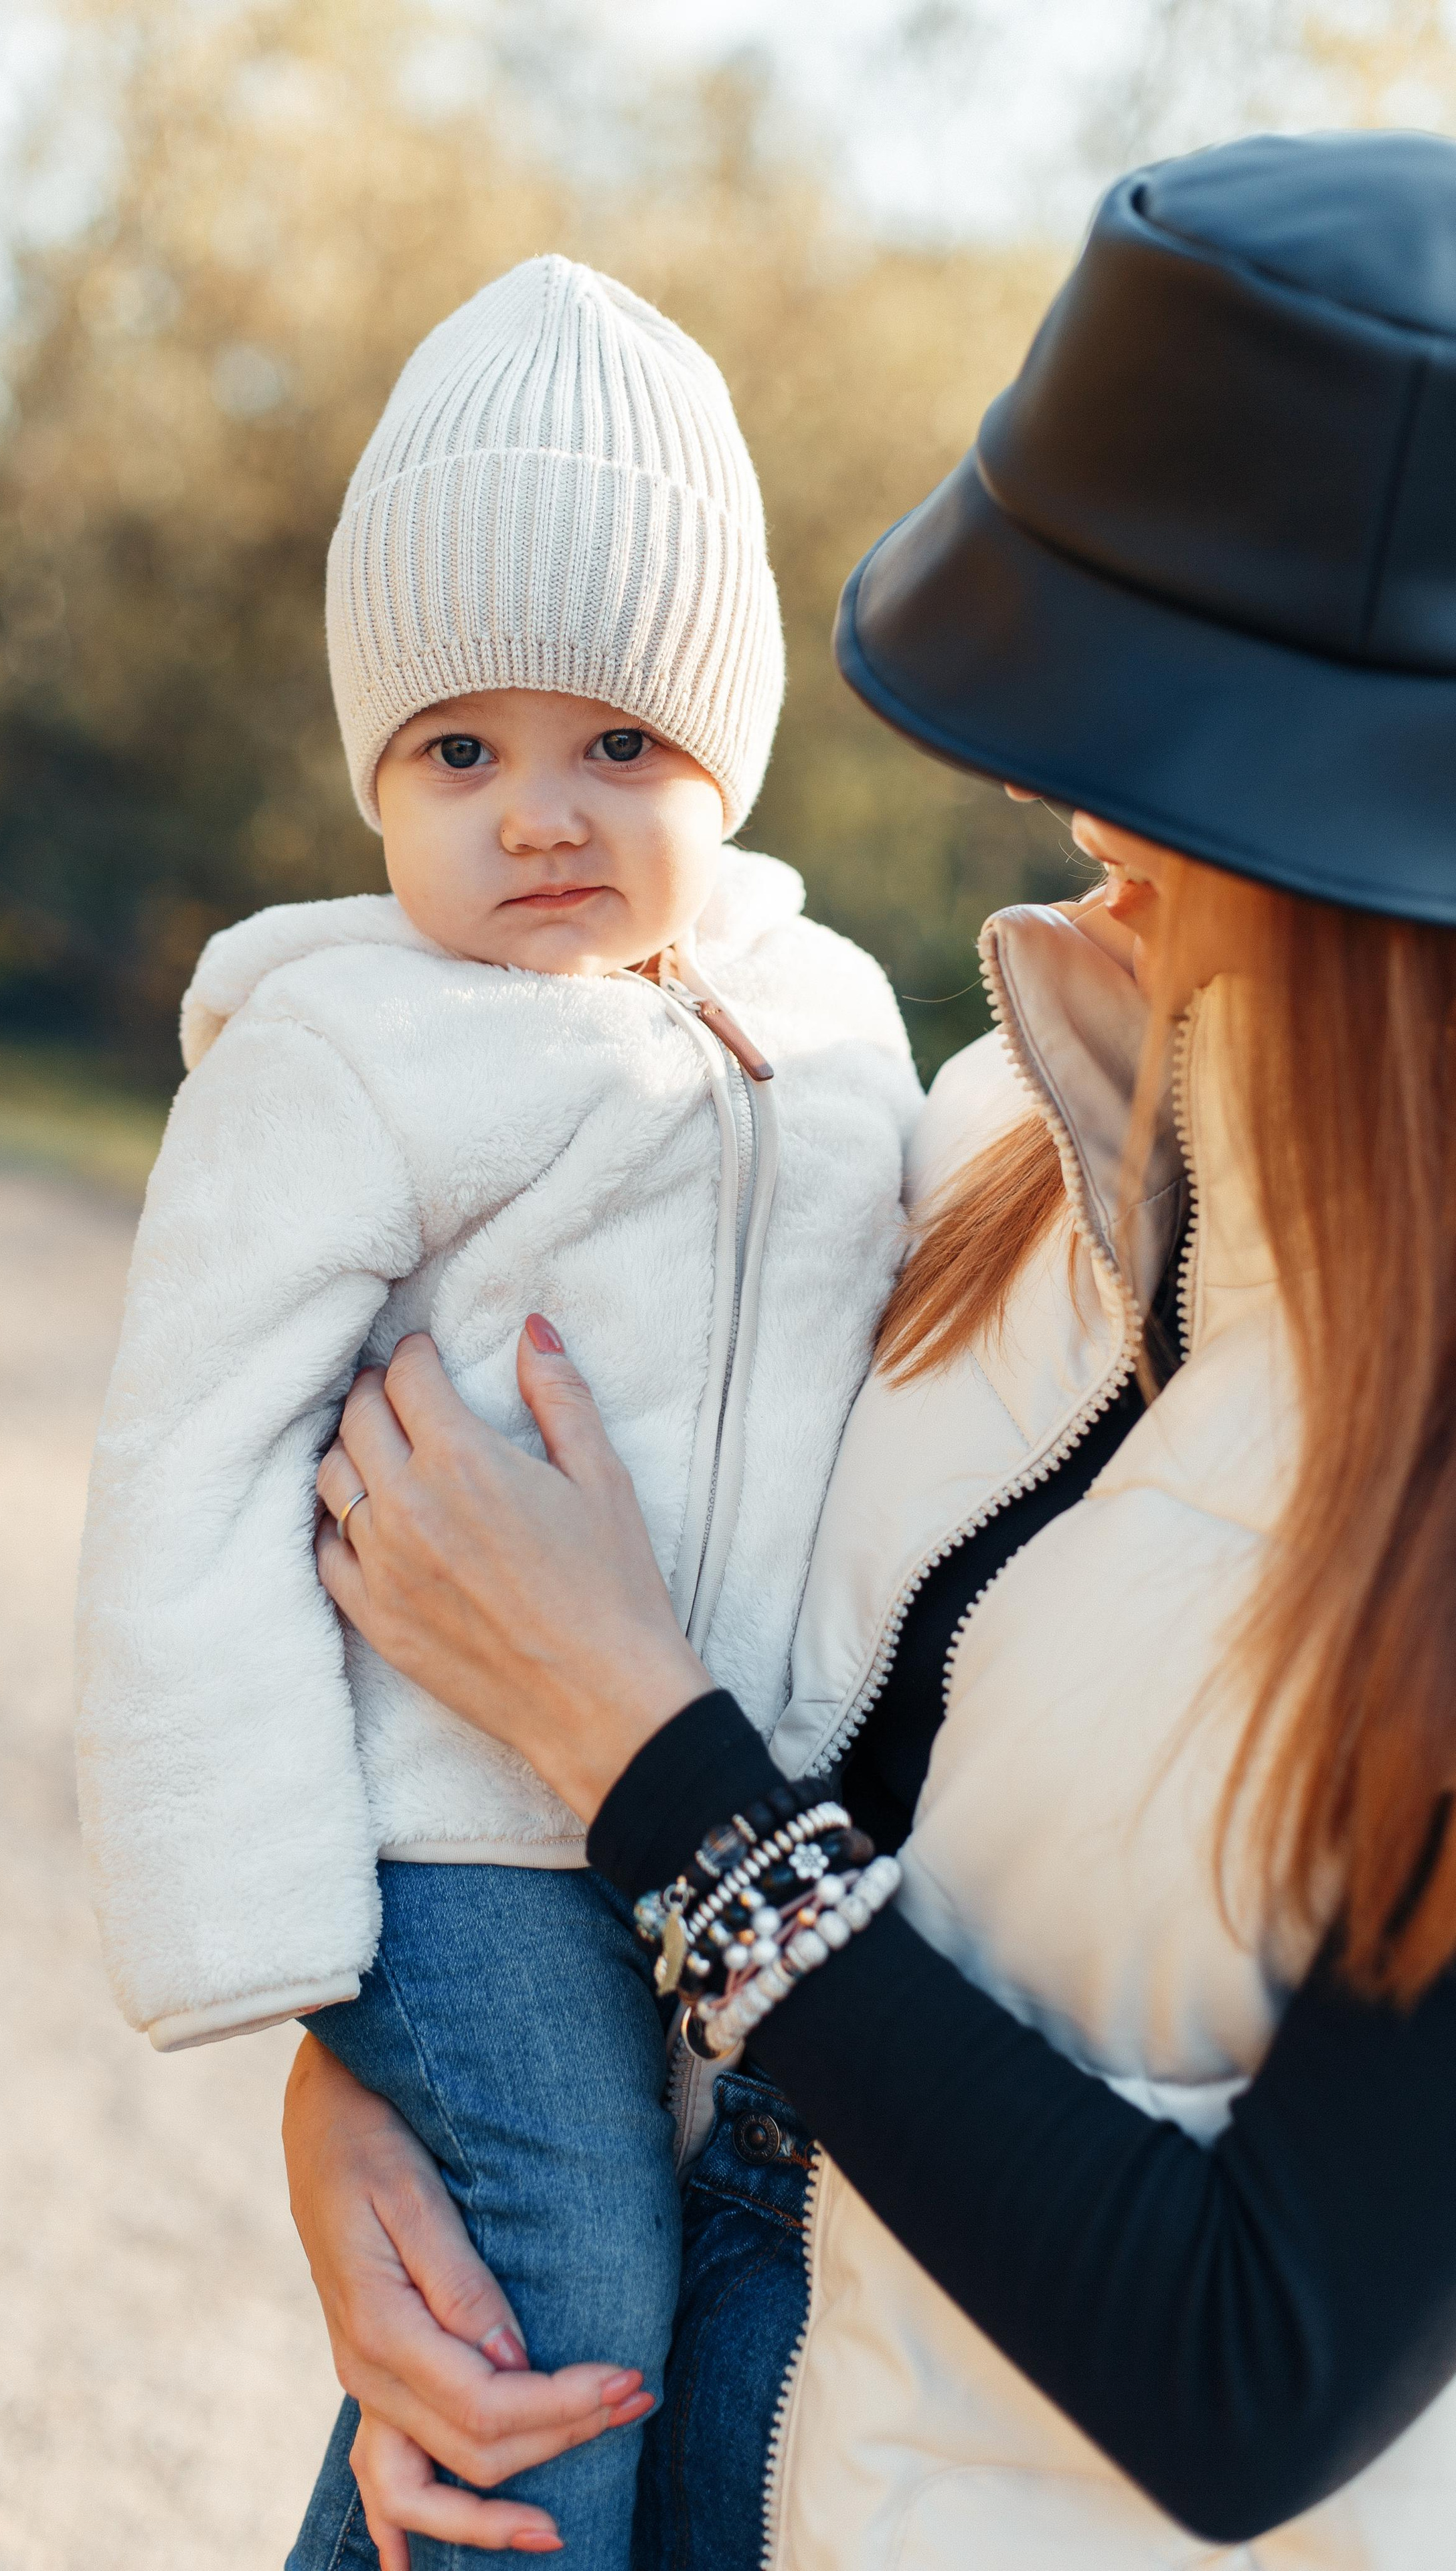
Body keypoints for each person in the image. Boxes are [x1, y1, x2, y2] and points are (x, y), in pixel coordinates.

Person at [285, 129, 1456, 2570]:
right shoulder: (974, 1142)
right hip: (605, 2439)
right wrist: (365, 2099)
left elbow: (1259, 2378)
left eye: (1137, 730)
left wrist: (641, 1762)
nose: (1043, 783)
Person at [73, 255, 920, 2568]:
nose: (539, 814)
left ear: (725, 759)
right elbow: (191, 1465)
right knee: (554, 2302)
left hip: (712, 1812)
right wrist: (266, 1941)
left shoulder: (835, 1025)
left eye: (614, 746)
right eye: (463, 752)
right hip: (453, 1836)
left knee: (694, 2326)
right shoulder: (345, 1056)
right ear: (374, 779)